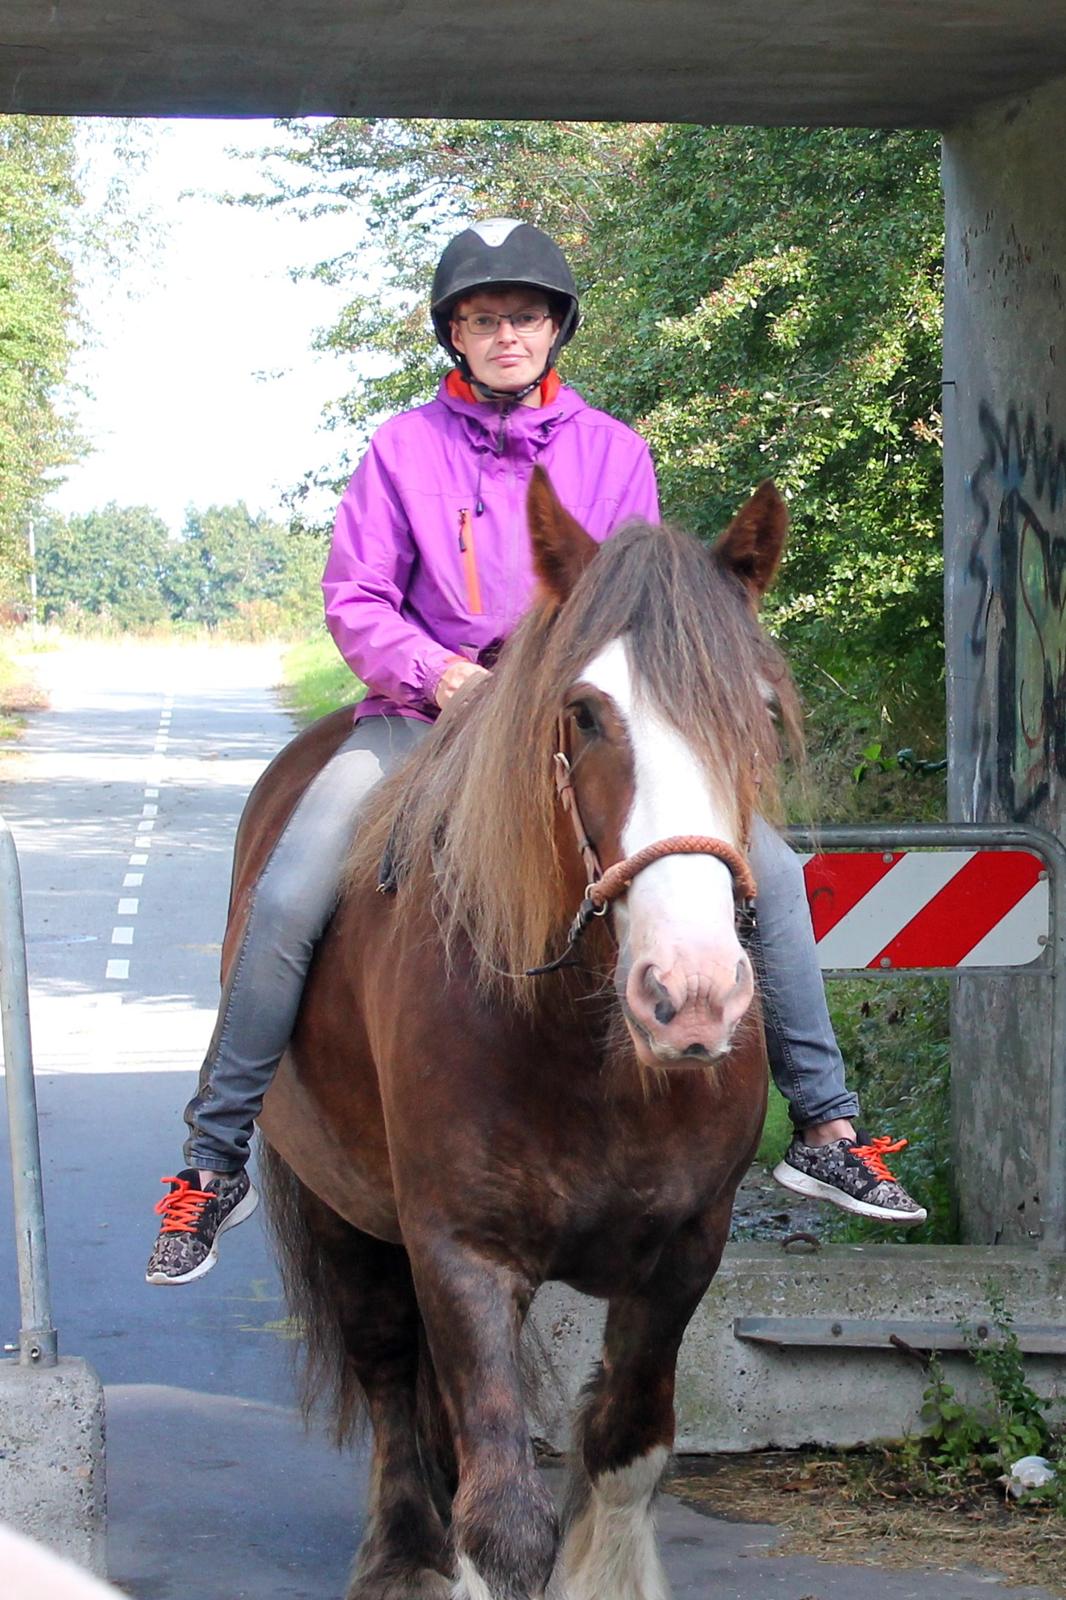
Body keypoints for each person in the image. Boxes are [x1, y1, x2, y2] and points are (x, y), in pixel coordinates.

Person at [146, 219, 924, 1286]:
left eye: (523, 316)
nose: (504, 334)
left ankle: (827, 1128)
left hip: (570, 727)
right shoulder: (400, 452)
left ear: (555, 327)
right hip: (422, 721)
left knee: (773, 874)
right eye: (481, 318)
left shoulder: (613, 452)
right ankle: (213, 1155)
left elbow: (641, 610)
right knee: (288, 892)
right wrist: (442, 674)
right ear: (453, 335)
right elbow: (356, 597)